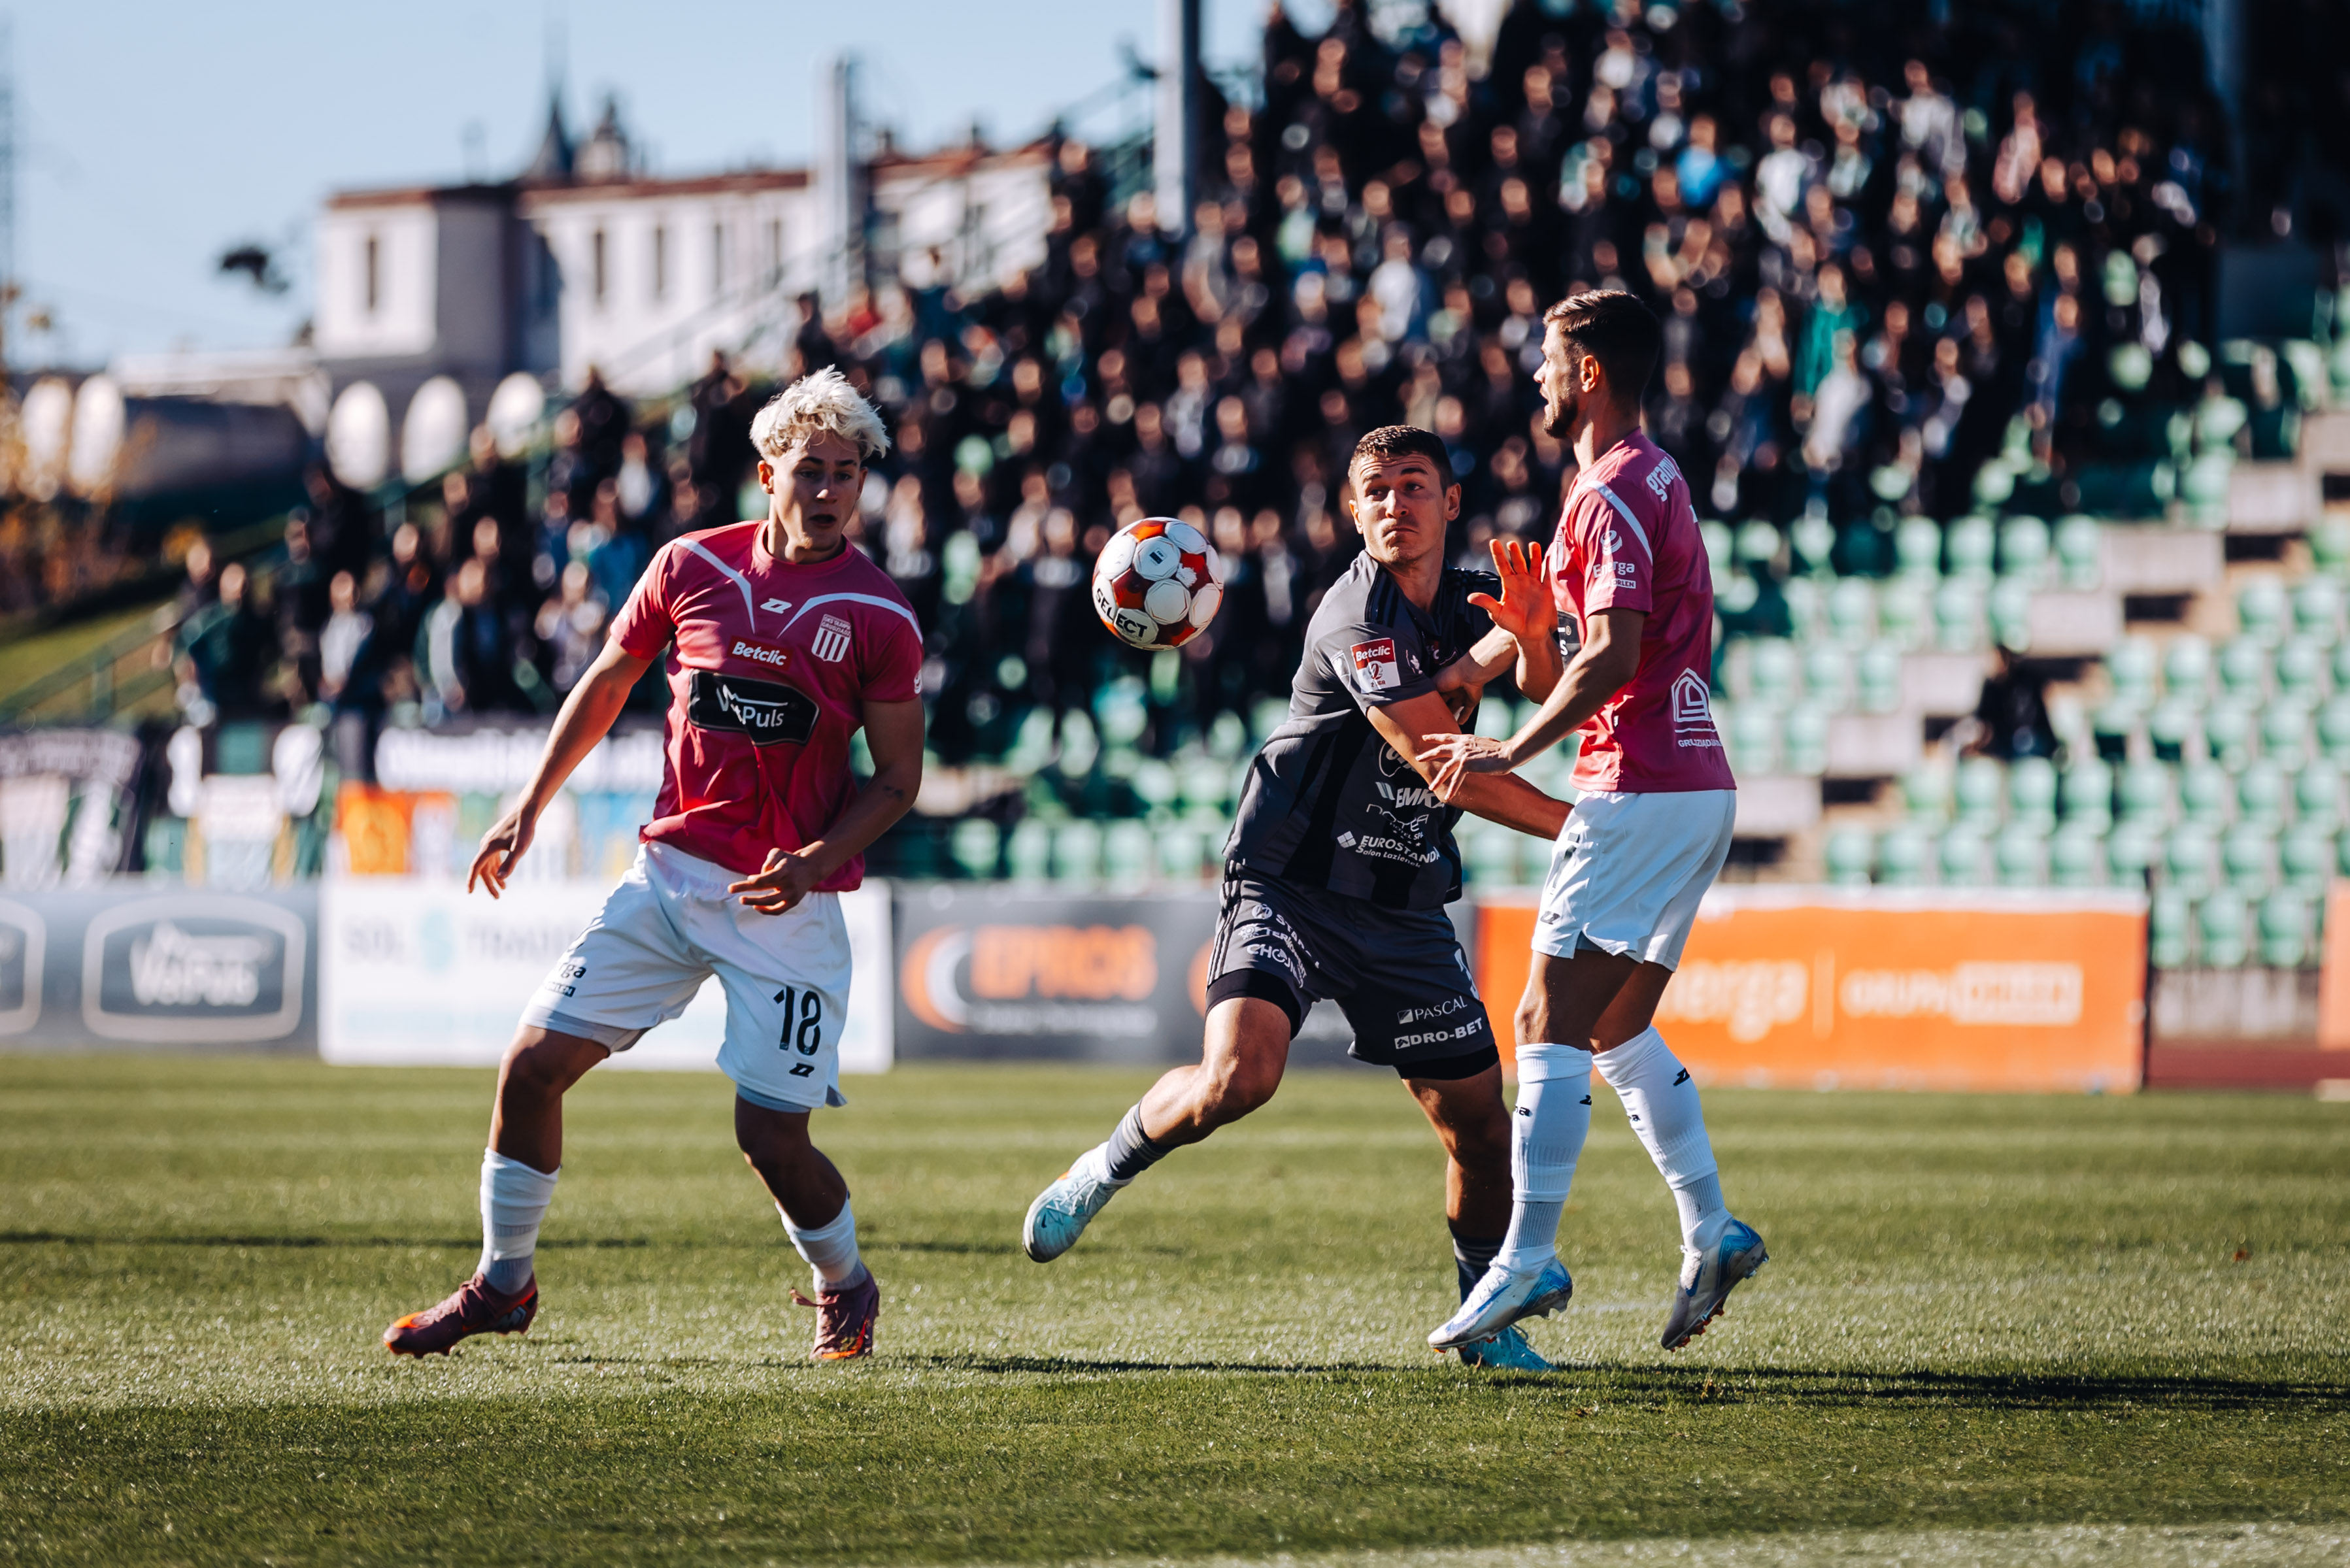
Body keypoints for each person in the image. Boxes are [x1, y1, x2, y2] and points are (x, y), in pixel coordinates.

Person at [383, 368, 925, 1363]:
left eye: (848, 474)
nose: (831, 491)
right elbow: (607, 681)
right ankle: (504, 1286)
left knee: (769, 1140)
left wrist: (812, 862)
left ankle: (845, 1282)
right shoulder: (689, 567)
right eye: (811, 470)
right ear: (769, 474)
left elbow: (897, 781)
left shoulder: (879, 614)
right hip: (669, 881)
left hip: (787, 911)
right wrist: (529, 804)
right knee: (531, 1069)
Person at [1020, 424, 1574, 1370]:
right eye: (1378, 490)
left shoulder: (1472, 594)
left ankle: (1486, 1324)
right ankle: (1101, 1168)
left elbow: (1545, 691)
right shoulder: (1351, 618)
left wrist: (1523, 641)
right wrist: (1584, 828)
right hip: (1291, 878)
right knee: (1240, 1078)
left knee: (1481, 1131)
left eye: (1415, 486)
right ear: (1354, 512)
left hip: (1402, 901)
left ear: (1448, 503)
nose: (1397, 504)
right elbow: (1447, 763)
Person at [1420, 290, 1767, 1358]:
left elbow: (1613, 657)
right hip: (1698, 781)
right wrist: (1532, 640)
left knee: (1540, 1021)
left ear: (1591, 373)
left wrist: (1509, 752)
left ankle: (1523, 1259)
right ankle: (1712, 1226)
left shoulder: (1608, 492)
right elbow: (1581, 662)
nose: (1536, 377)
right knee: (1614, 1026)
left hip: (1641, 780)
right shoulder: (1654, 475)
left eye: (1549, 360)